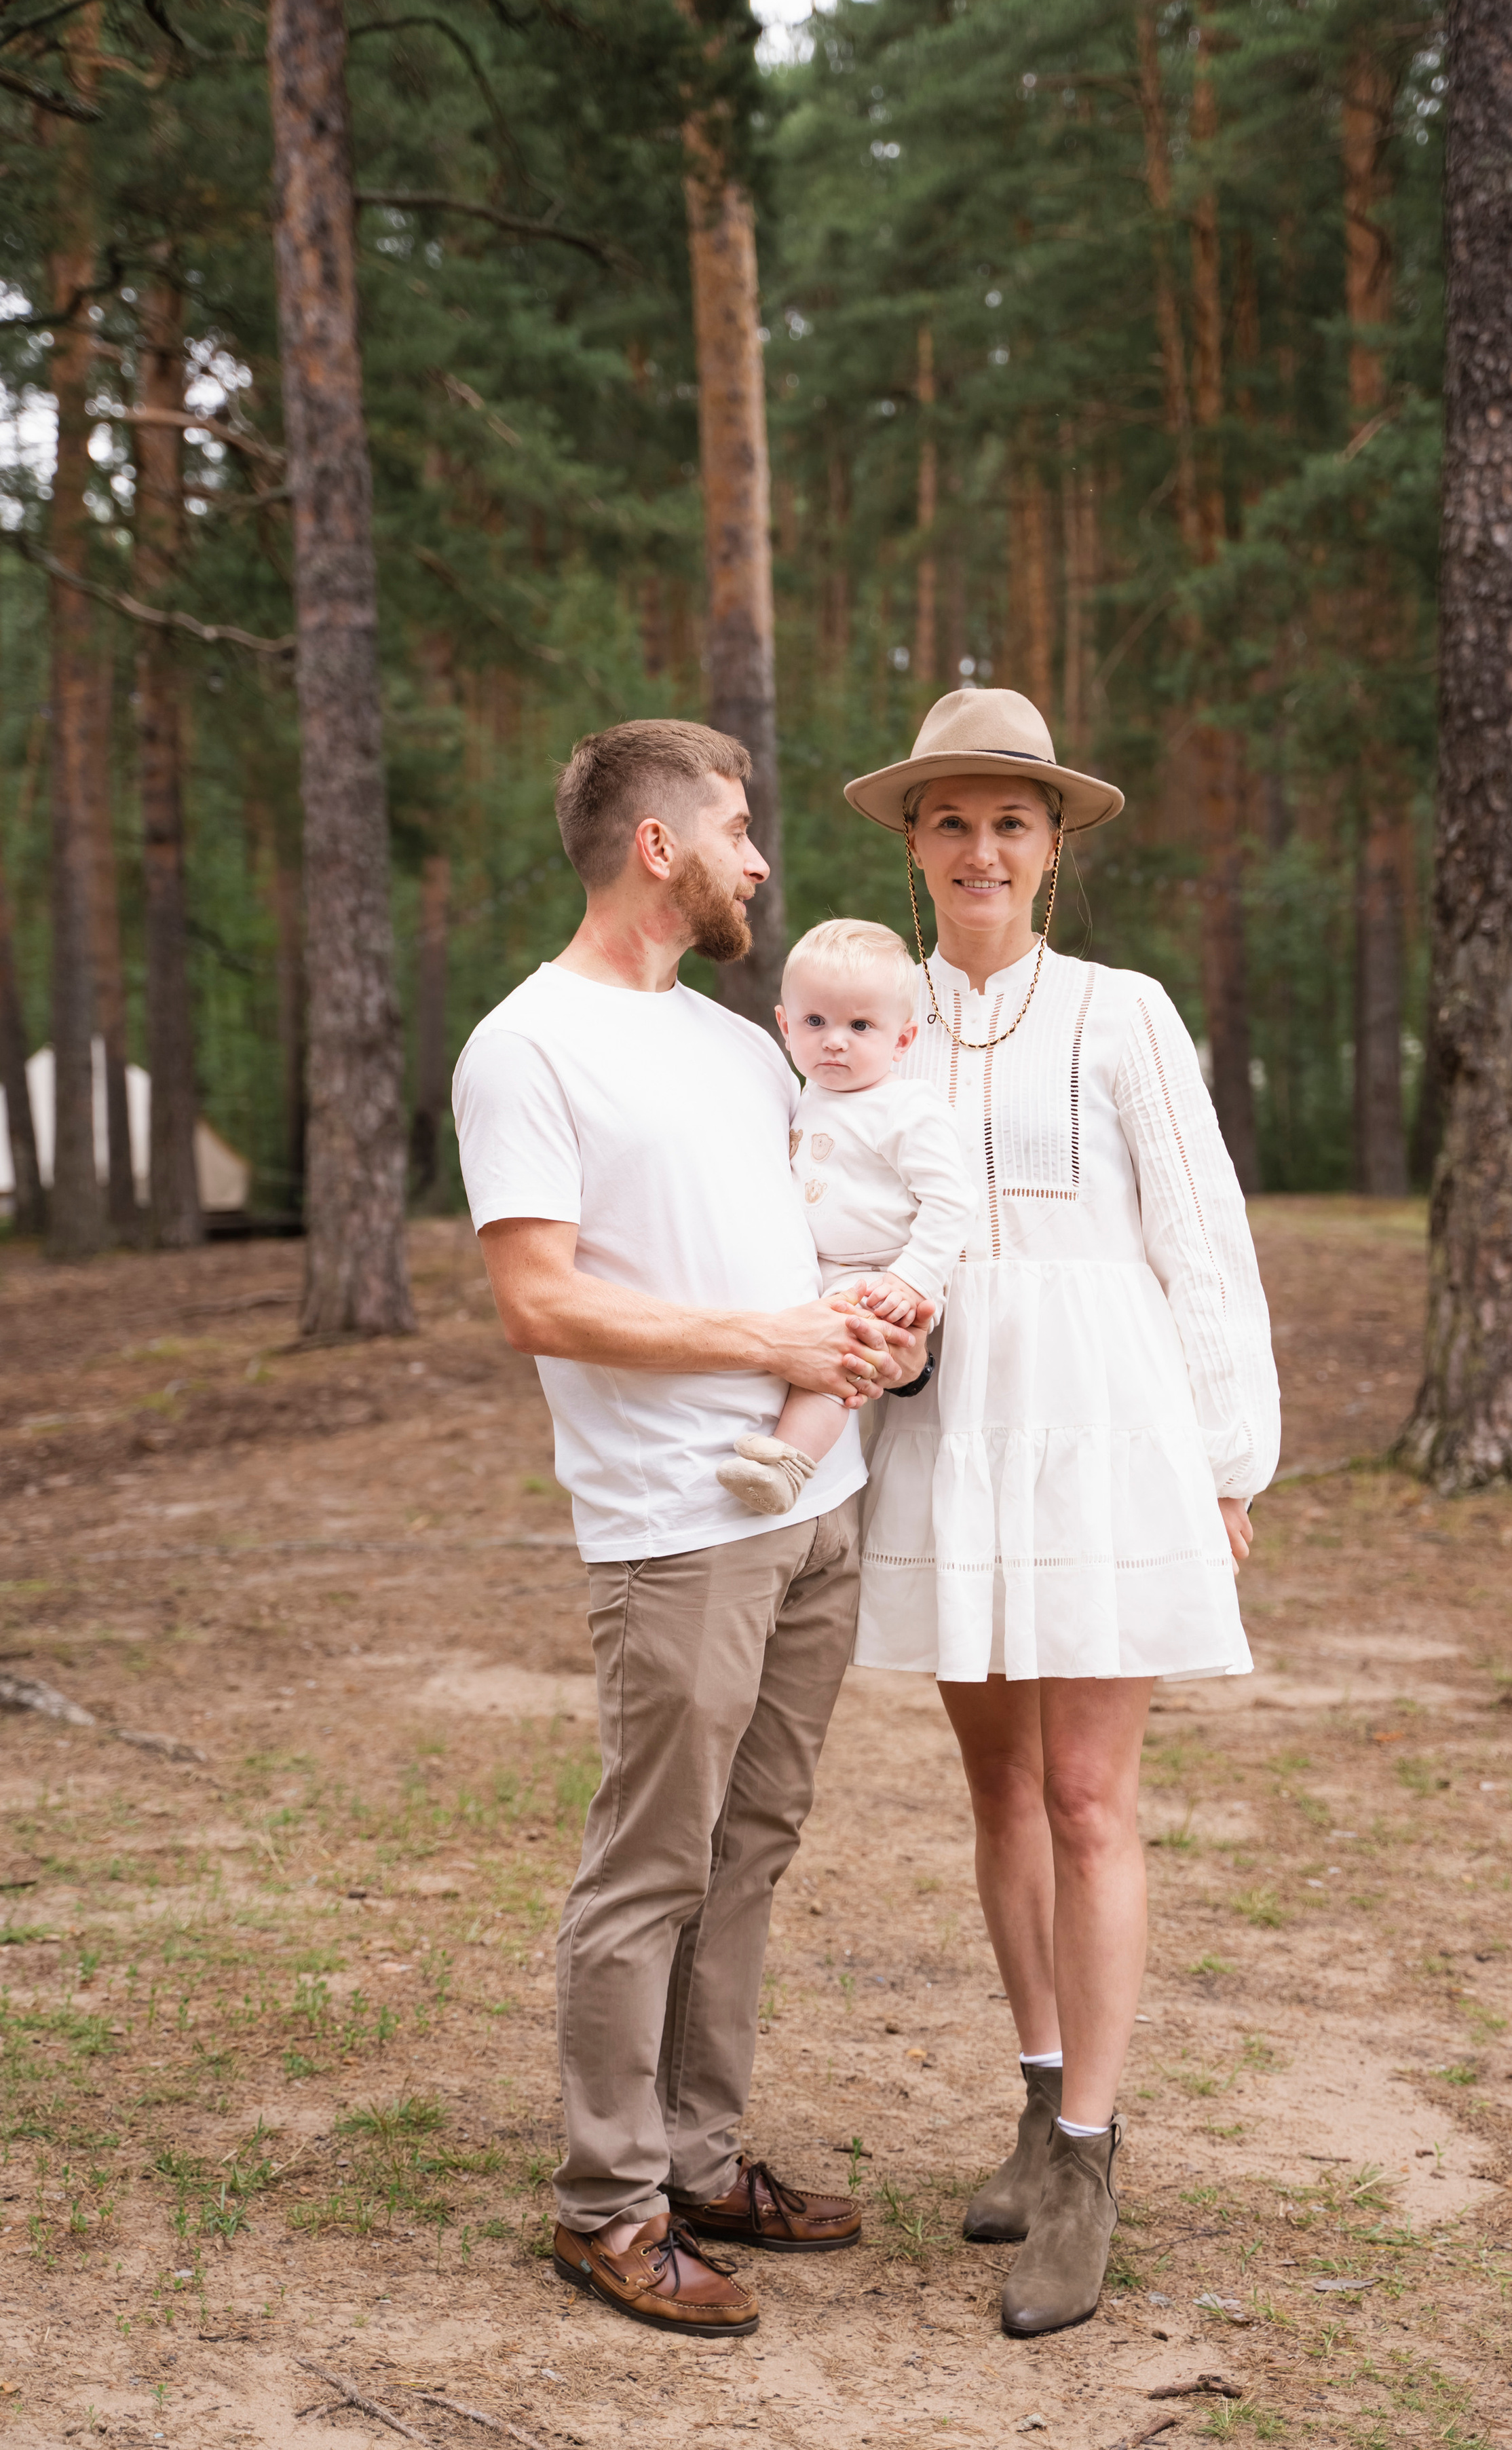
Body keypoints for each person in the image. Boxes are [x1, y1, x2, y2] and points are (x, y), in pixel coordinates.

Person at [451, 720, 930, 2340]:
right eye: (735, 826)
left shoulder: (740, 1050)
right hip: (675, 1524)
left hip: (817, 1508)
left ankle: (704, 2158)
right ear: (658, 846)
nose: (759, 857)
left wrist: (859, 1330)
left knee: (753, 1848)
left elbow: (785, 1253)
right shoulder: (526, 1047)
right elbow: (536, 1301)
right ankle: (606, 2204)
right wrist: (773, 1346)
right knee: (648, 1865)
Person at [843, 688, 1281, 2339]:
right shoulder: (862, 1018)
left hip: (1102, 1423)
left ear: (1052, 845)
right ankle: (1035, 2102)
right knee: (999, 1787)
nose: (978, 848)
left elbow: (1200, 1228)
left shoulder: (1117, 1011)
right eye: (948, 819)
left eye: (1008, 821)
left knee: (1092, 1795)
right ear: (911, 841)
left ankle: (1091, 2156)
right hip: (950, 1423)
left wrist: (1227, 1455)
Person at [716, 917, 975, 1517]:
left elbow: (951, 1200)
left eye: (860, 1026)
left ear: (902, 1040)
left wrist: (911, 1279)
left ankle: (788, 1464)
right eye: (816, 1022)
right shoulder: (804, 1096)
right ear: (785, 1025)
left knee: (839, 1354)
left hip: (882, 1275)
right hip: (825, 1268)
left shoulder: (907, 1107)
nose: (835, 1040)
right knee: (817, 1344)